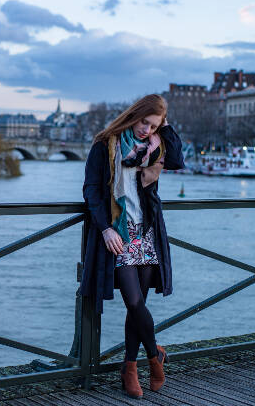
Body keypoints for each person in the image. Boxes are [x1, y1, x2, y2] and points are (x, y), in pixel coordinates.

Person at [80, 94, 184, 399]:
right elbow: (91, 189)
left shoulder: (155, 146)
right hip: (121, 232)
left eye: (153, 126)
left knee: (138, 306)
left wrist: (165, 126)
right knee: (134, 302)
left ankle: (129, 368)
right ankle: (155, 358)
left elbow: (177, 159)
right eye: (144, 122)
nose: (146, 130)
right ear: (134, 115)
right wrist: (105, 229)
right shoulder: (105, 144)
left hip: (147, 230)